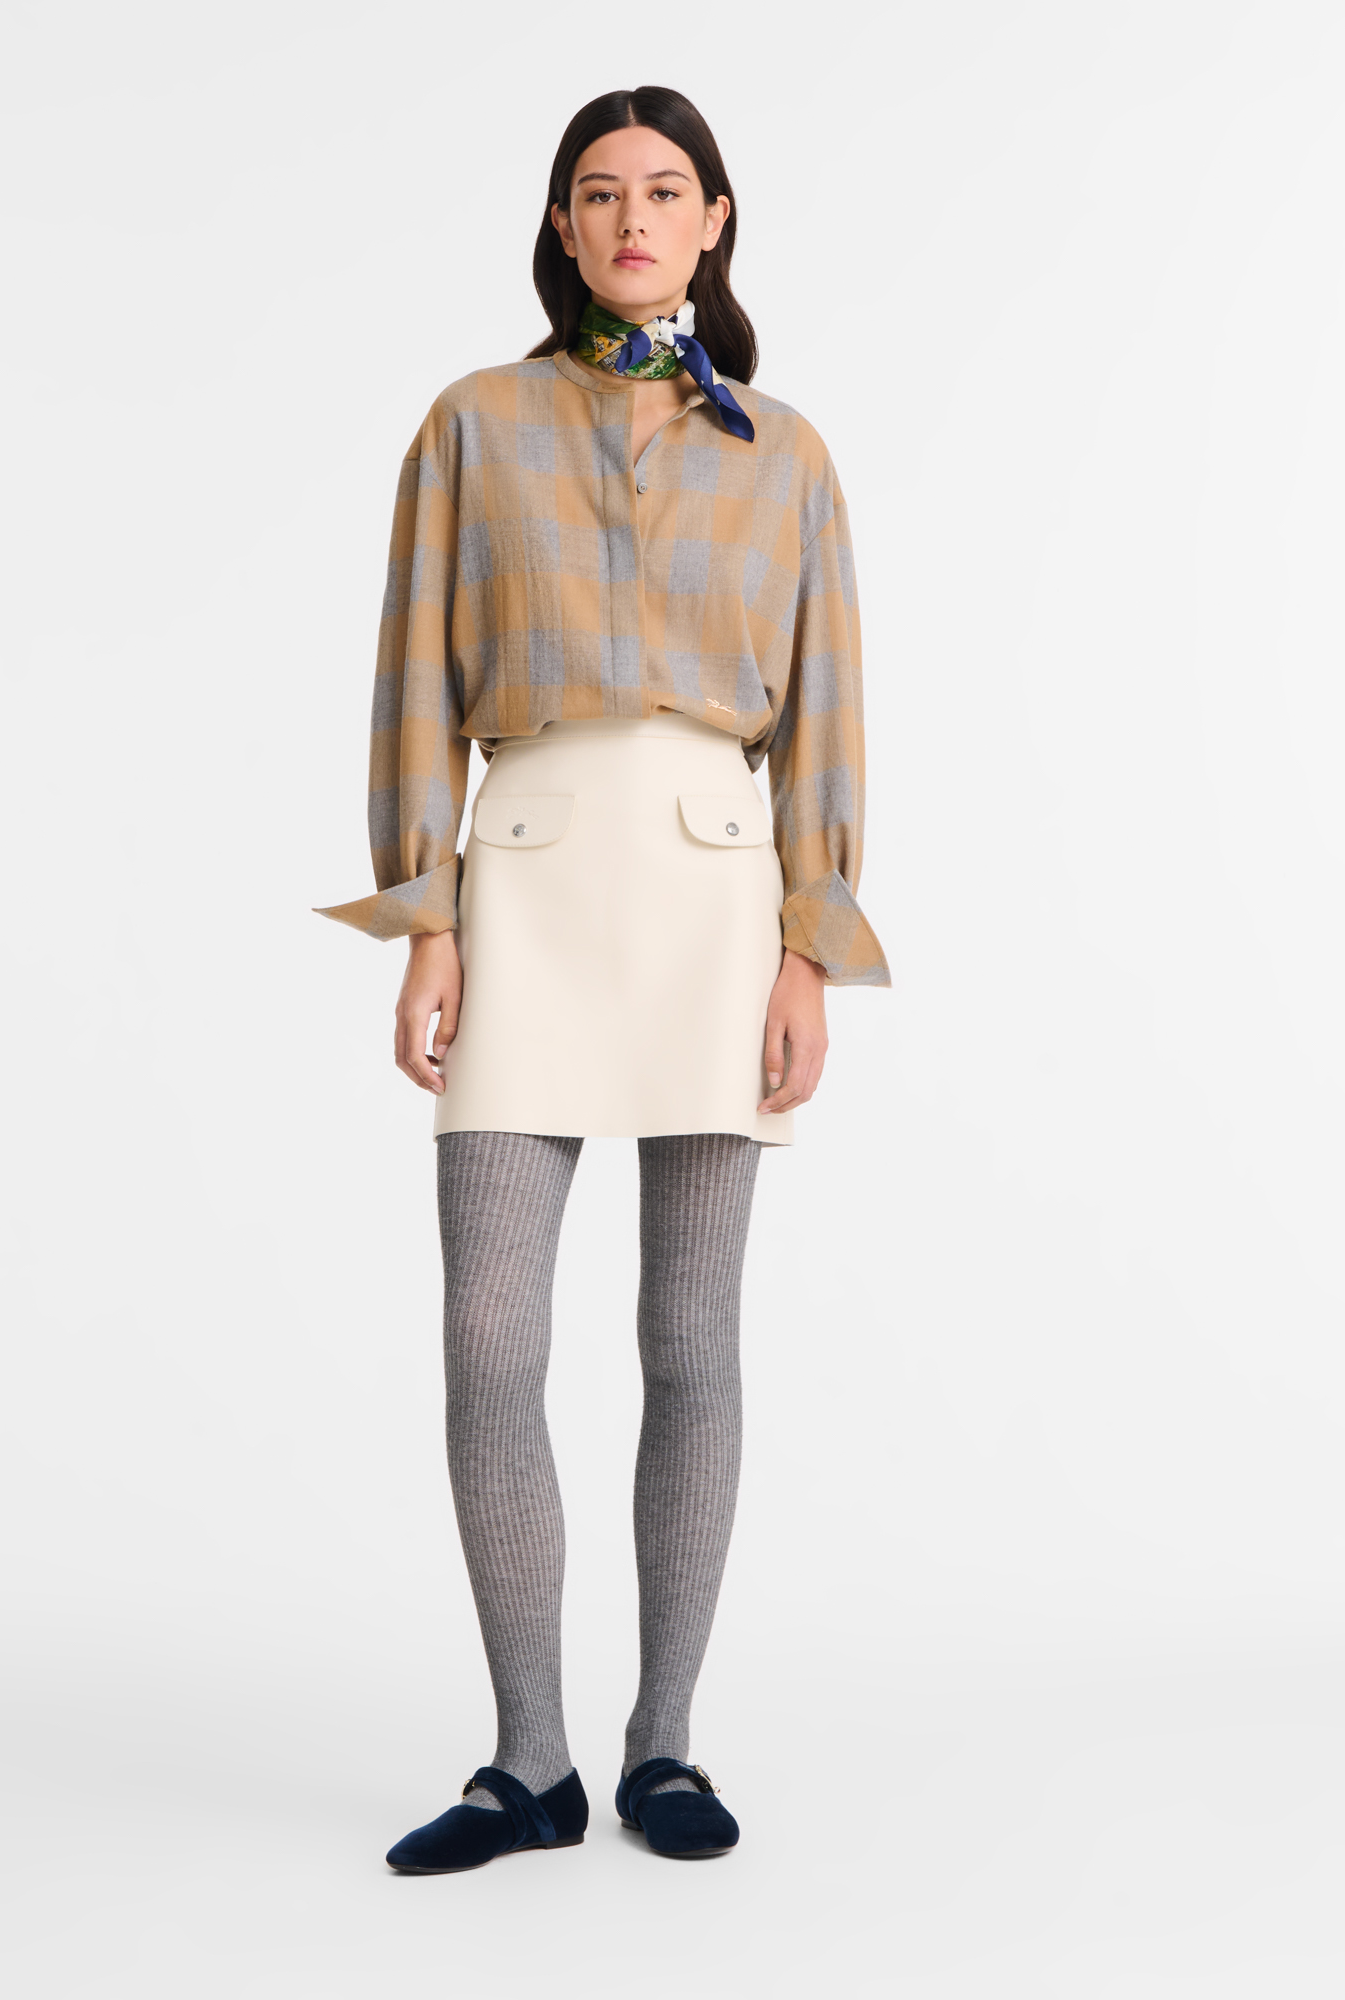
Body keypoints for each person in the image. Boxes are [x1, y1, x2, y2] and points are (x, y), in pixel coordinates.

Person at [315, 83, 890, 1873]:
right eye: (596, 192)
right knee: (489, 1338)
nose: (632, 218)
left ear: (714, 220)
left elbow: (827, 715)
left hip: (720, 902)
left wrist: (811, 944)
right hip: (526, 885)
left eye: (663, 189)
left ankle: (664, 1749)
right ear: (561, 227)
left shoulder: (784, 453)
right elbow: (415, 680)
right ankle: (529, 1763)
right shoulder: (471, 426)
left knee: (691, 1343)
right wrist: (426, 919)